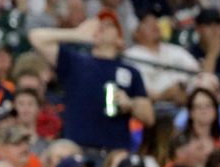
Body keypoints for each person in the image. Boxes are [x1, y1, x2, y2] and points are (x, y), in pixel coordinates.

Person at [29, 13, 154, 159]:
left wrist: (130, 104)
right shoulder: (75, 61)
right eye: (99, 24)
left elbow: (149, 117)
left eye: (109, 25)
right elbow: (36, 37)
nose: (101, 27)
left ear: (120, 40)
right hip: (78, 152)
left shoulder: (130, 71)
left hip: (114, 154)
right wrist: (76, 34)